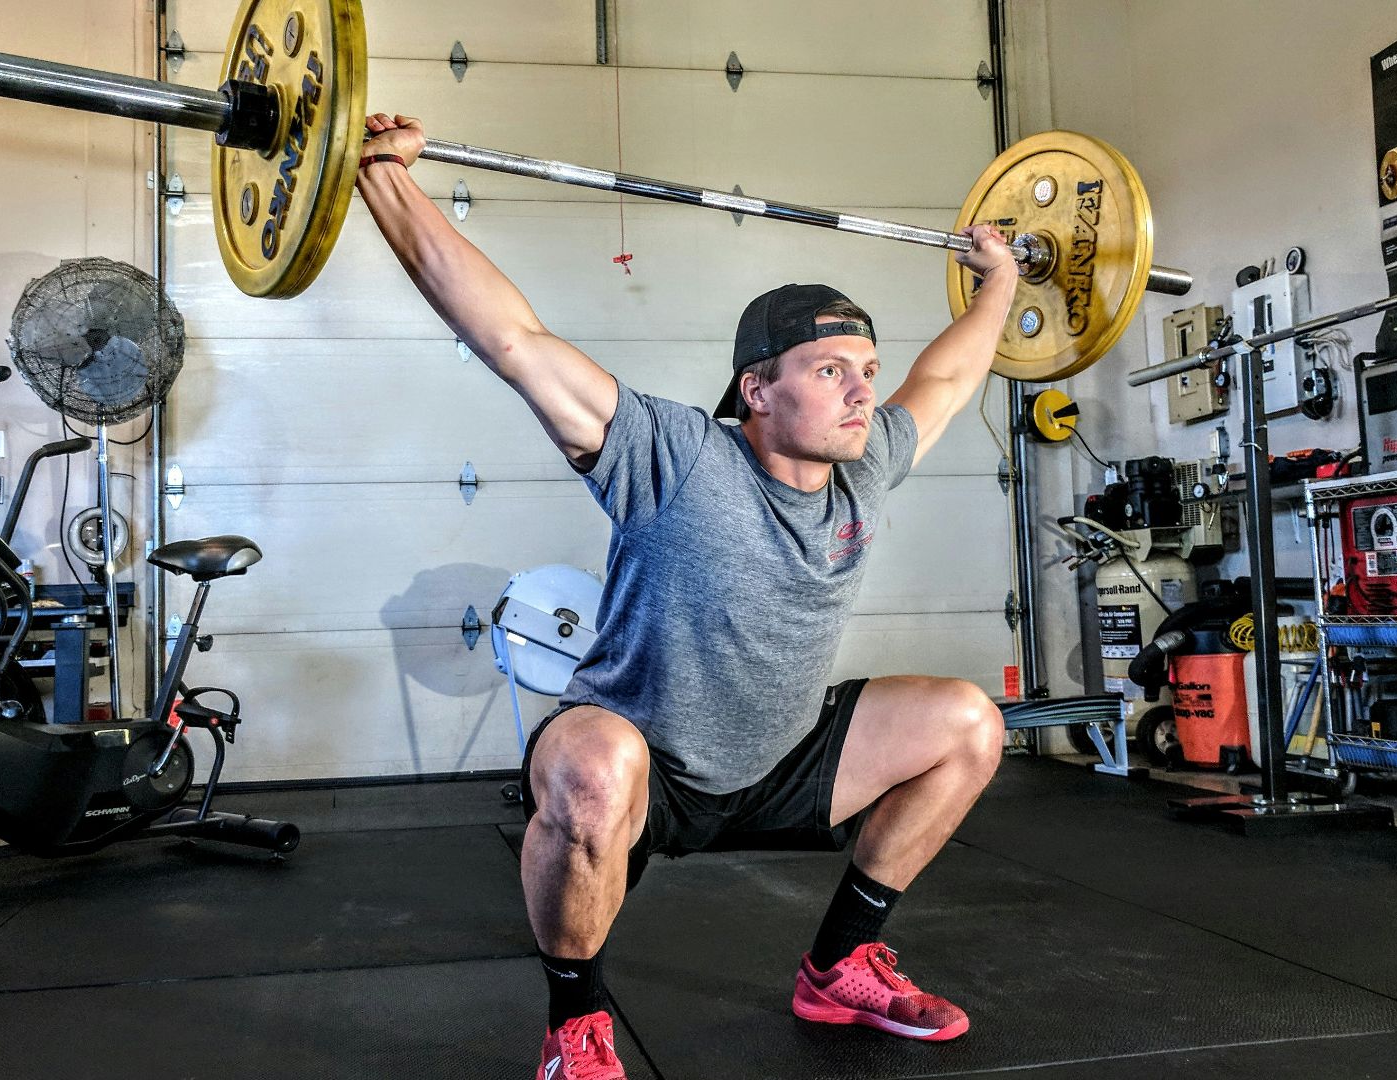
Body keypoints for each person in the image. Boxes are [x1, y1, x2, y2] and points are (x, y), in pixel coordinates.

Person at [357, 112, 1016, 1080]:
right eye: (830, 370)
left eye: (867, 373)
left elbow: (950, 376)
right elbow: (512, 338)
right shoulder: (674, 456)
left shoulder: (865, 464)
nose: (860, 393)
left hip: (784, 756)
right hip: (645, 762)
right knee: (591, 767)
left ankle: (838, 966)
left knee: (969, 724)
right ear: (757, 389)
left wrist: (1001, 281)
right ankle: (575, 1028)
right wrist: (384, 179)